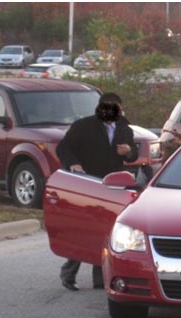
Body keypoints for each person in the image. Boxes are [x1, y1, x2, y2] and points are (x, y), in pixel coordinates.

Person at [56, 94, 138, 291]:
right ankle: (69, 273)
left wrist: (128, 151)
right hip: (88, 185)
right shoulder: (83, 126)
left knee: (106, 231)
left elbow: (134, 152)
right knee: (85, 229)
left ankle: (100, 279)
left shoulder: (124, 127)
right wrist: (74, 164)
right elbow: (63, 148)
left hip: (113, 187)